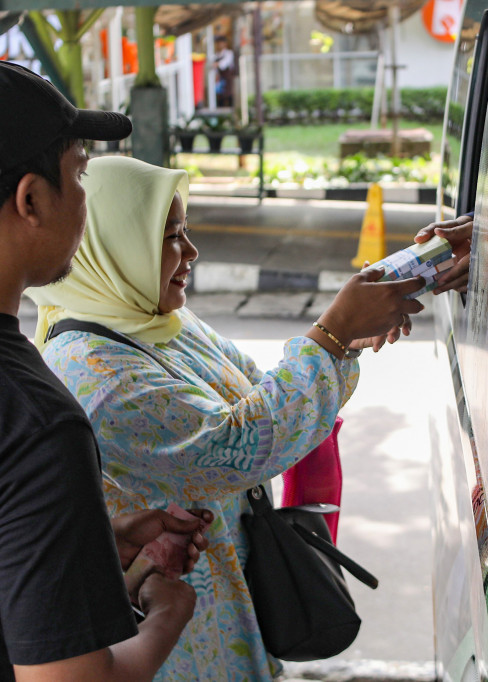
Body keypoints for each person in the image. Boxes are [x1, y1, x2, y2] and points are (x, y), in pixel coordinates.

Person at [26, 154, 425, 681]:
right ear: (113, 247)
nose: (191, 252)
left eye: (184, 230)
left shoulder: (157, 320)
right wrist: (332, 333)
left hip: (232, 589)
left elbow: (258, 392)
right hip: (180, 623)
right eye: (170, 236)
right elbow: (237, 446)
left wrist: (346, 335)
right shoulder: (93, 371)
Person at [0, 61, 210, 681]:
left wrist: (92, 547)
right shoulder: (37, 422)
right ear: (31, 200)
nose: (85, 198)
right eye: (79, 173)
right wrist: (167, 614)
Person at [213, 35, 235, 108]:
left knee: (229, 97)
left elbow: (224, 64)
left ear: (225, 43)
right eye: (218, 43)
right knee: (220, 99)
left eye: (220, 43)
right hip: (220, 80)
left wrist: (217, 64)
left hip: (228, 80)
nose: (219, 45)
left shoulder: (229, 53)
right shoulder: (216, 55)